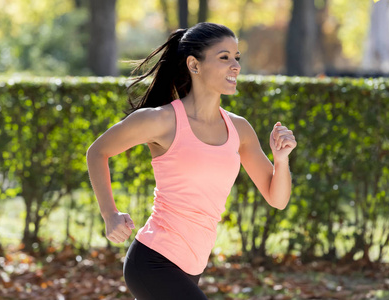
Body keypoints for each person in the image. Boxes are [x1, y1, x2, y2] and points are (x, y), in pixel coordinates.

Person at [86, 22, 297, 300]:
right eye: (224, 58)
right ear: (194, 65)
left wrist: (281, 160)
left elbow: (277, 198)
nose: (235, 66)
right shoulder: (161, 120)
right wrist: (109, 214)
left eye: (237, 58)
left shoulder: (239, 129)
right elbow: (97, 152)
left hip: (192, 267)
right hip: (152, 260)